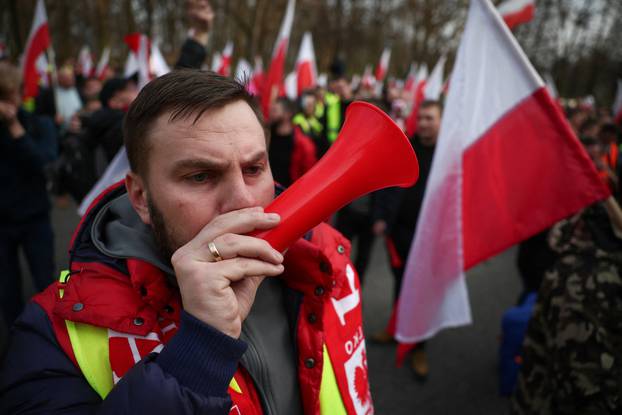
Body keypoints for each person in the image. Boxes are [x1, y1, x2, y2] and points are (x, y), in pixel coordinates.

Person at [1, 70, 373, 414]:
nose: (244, 201)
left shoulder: (327, 258)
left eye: (254, 169)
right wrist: (200, 352)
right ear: (141, 197)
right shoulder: (52, 334)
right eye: (199, 176)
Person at [371, 100, 442, 380]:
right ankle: (397, 326)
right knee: (401, 281)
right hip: (399, 232)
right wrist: (380, 216)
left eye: (430, 118)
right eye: (421, 118)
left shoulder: (447, 154)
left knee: (422, 290)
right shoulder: (405, 145)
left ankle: (418, 346)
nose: (424, 123)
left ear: (441, 121)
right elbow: (385, 181)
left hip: (430, 236)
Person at [0, 62, 57, 330]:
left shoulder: (38, 124)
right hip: (2, 222)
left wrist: (14, 128)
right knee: (6, 288)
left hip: (35, 217)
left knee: (45, 283)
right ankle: (15, 342)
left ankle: (50, 336)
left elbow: (45, 164)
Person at [268, 97, 317, 187]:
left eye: (275, 110)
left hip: (290, 194)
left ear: (288, 114)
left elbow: (308, 177)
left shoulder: (303, 144)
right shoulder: (267, 137)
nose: (271, 114)